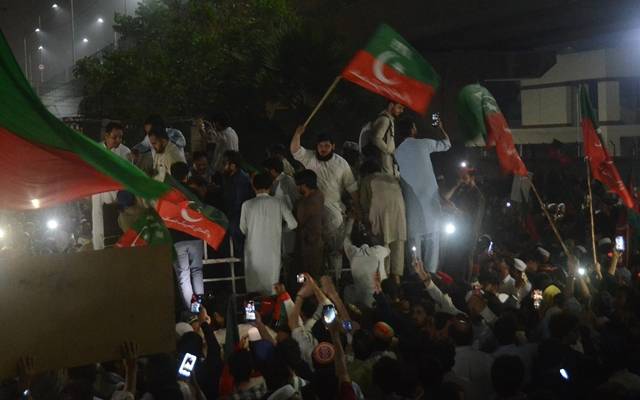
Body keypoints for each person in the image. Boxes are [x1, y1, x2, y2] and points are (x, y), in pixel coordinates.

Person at [290, 126, 358, 280]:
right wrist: (297, 133)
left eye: (327, 145)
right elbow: (295, 150)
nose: (323, 149)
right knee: (312, 257)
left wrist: (358, 208)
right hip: (313, 218)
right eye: (321, 145)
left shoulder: (342, 164)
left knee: (335, 253)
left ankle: (336, 282)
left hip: (334, 216)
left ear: (333, 146)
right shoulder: (310, 157)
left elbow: (352, 188)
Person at [394, 118, 451, 273]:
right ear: (413, 129)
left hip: (411, 205)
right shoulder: (423, 143)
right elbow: (446, 144)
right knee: (433, 241)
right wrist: (441, 128)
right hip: (431, 202)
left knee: (414, 242)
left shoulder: (396, 152)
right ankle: (431, 275)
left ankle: (415, 275)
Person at [240, 173, 298, 295]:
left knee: (253, 288)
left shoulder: (246, 205)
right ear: (271, 186)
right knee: (271, 288)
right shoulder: (278, 203)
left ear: (253, 186)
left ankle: (255, 311)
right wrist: (280, 230)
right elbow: (293, 224)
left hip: (253, 252)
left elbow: (243, 229)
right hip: (272, 252)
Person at [358, 159, 407, 281]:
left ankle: (385, 286)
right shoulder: (393, 178)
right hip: (399, 220)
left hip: (381, 220)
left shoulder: (367, 180)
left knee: (382, 253)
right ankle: (397, 285)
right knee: (397, 253)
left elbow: (364, 205)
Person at [92, 121, 133, 250]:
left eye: (120, 137)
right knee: (98, 223)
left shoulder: (125, 152)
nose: (118, 140)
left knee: (116, 225)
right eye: (114, 137)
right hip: (98, 192)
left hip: (117, 193)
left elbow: (129, 174)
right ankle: (99, 250)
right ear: (106, 136)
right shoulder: (96, 150)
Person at [170, 162, 205, 311]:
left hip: (177, 239)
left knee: (183, 275)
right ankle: (200, 306)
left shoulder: (169, 194)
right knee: (197, 270)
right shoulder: (194, 193)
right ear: (187, 175)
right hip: (195, 235)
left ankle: (193, 312)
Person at [343, 217, 390, 307]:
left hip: (361, 299)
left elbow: (346, 239)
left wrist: (350, 221)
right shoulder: (378, 251)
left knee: (346, 289)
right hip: (380, 297)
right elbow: (388, 249)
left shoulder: (353, 252)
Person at [293, 170, 325, 279]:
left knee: (303, 276)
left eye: (298, 185)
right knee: (313, 275)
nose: (296, 188)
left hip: (306, 246)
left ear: (304, 185)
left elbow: (297, 222)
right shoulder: (319, 194)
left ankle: (303, 294)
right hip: (316, 243)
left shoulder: (306, 203)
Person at [222, 150, 255, 254]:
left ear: (233, 165)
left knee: (240, 250)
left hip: (238, 219)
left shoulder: (240, 180)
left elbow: (240, 202)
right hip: (234, 217)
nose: (223, 166)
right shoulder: (231, 178)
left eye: (224, 163)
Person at [364, 102, 405, 176]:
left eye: (402, 109)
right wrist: (391, 152)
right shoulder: (385, 120)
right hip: (383, 166)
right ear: (391, 105)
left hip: (387, 166)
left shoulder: (388, 120)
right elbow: (376, 139)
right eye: (399, 107)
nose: (401, 111)